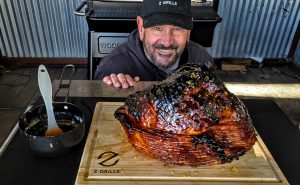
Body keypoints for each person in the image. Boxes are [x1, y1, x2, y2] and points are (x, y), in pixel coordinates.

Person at [94, 0, 214, 88]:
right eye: (157, 28)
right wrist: (114, 90)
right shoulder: (112, 68)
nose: (167, 42)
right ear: (141, 27)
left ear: (188, 31)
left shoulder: (202, 60)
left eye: (177, 28)